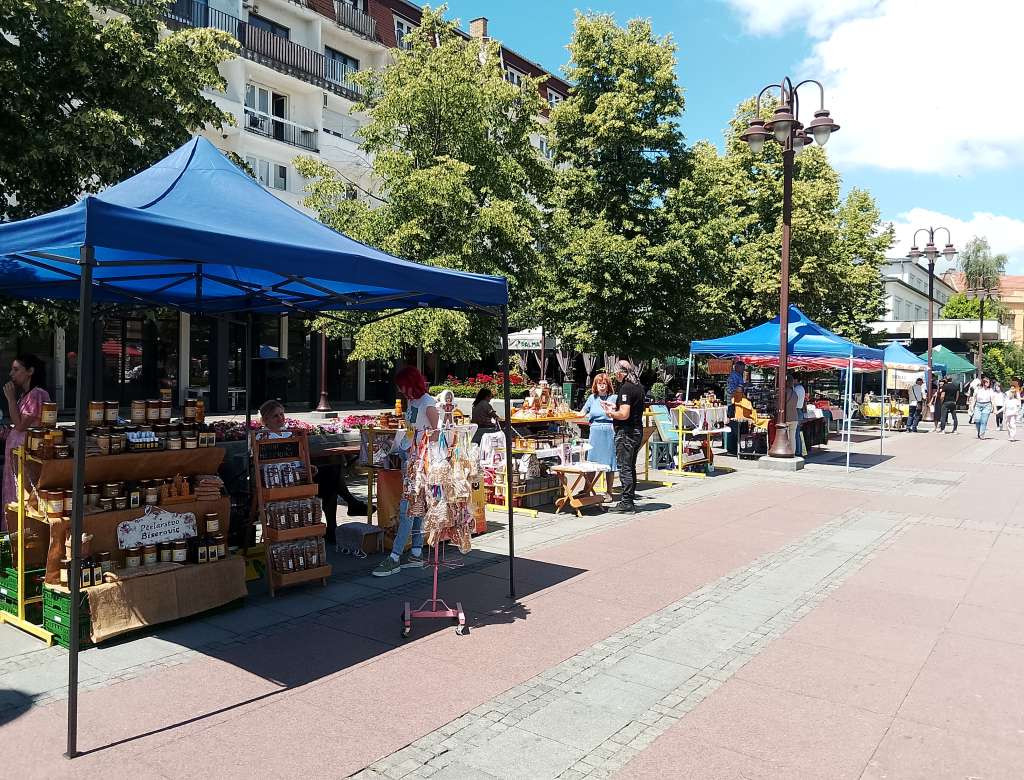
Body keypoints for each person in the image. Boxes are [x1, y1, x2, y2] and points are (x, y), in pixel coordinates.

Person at [258, 400, 367, 545]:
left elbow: (299, 459)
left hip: (300, 475)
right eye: (275, 416)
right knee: (332, 479)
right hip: (279, 481)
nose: (280, 418)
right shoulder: (262, 437)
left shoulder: (290, 434)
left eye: (282, 414)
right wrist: (295, 471)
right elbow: (267, 466)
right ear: (266, 420)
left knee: (333, 473)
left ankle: (336, 523)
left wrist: (308, 467)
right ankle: (348, 507)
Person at [373, 366, 438, 577]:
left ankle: (395, 556)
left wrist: (421, 445)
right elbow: (411, 429)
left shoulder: (429, 403)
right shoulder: (413, 402)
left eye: (403, 387)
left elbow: (437, 435)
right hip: (409, 458)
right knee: (415, 507)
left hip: (420, 462)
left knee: (407, 509)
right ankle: (417, 552)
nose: (401, 391)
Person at [2, 354, 49, 525]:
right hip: (16, 457)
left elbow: (21, 425)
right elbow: (18, 428)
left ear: (30, 371)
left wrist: (10, 399)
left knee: (22, 497)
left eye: (16, 370)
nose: (11, 374)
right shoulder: (26, 395)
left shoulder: (37, 394)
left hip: (25, 458)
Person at [602, 360, 645, 514]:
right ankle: (629, 499)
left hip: (626, 432)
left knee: (624, 467)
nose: (616, 376)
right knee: (631, 466)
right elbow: (631, 409)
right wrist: (616, 407)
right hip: (637, 430)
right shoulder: (638, 387)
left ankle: (626, 502)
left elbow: (624, 414)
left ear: (621, 372)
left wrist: (611, 413)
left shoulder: (626, 388)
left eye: (616, 373)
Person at [578, 373, 617, 499]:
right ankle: (587, 489)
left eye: (604, 383)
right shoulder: (592, 398)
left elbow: (619, 412)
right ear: (595, 385)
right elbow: (583, 412)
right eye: (599, 383)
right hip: (595, 431)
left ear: (608, 385)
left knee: (609, 463)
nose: (602, 386)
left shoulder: (614, 398)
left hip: (609, 430)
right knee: (591, 461)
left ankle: (609, 492)